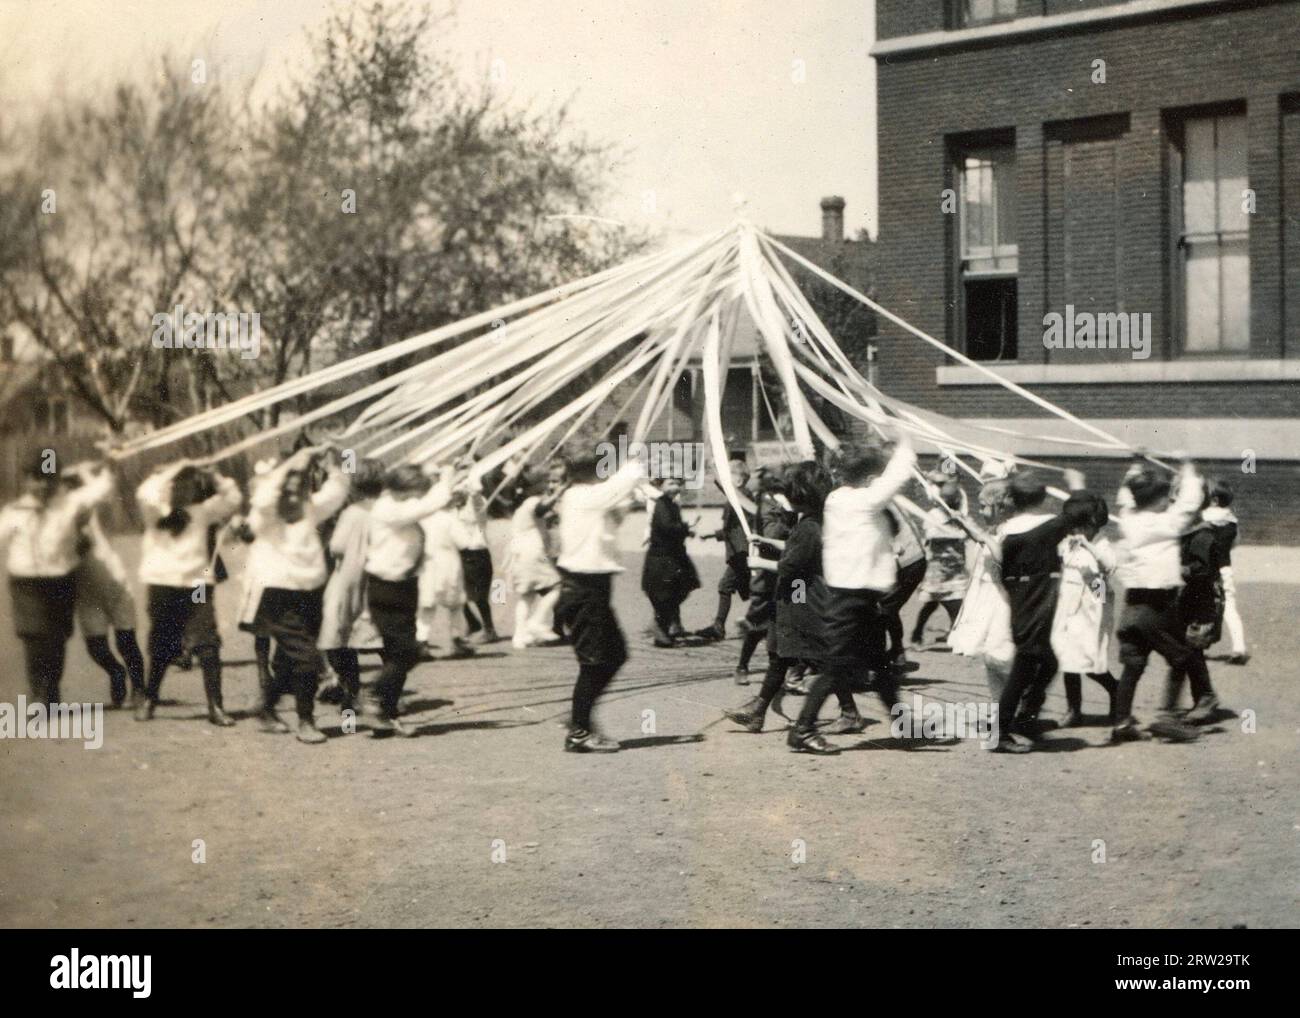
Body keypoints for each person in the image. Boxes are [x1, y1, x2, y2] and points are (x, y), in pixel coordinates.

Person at [724, 461, 863, 751]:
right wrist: (766, 541)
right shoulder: (813, 523)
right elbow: (796, 553)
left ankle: (840, 716)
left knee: (817, 659)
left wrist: (758, 561)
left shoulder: (808, 527)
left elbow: (790, 566)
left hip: (803, 598)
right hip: (799, 597)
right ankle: (758, 711)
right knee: (784, 654)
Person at [247, 447, 350, 743]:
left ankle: (266, 707)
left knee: (292, 659)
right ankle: (306, 721)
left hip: (309, 592)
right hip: (276, 594)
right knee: (306, 658)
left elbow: (336, 492)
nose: (293, 494)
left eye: (299, 487)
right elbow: (265, 494)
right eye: (287, 488)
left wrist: (334, 465)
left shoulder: (309, 509)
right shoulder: (266, 514)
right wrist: (293, 463)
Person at [819, 432, 916, 738]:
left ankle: (903, 724)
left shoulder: (837, 498)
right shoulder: (864, 501)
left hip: (859, 596)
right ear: (872, 478)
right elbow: (899, 473)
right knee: (836, 665)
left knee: (881, 667)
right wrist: (904, 437)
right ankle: (803, 728)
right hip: (852, 596)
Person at [987, 468, 1087, 753]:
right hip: (1036, 605)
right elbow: (1080, 511)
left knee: (1048, 662)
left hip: (1024, 603)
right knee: (1024, 668)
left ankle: (1025, 717)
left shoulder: (1009, 531)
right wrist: (1077, 486)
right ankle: (1002, 731)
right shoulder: (1044, 528)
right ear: (1043, 497)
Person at [0, 453, 112, 705]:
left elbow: (101, 488)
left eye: (48, 479)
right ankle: (38, 694)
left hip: (60, 580)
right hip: (26, 583)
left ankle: (50, 691)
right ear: (26, 481)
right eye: (36, 479)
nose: (42, 485)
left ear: (57, 480)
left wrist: (110, 460)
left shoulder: (69, 503)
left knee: (56, 637)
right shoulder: (14, 511)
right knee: (33, 636)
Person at [135, 461, 242, 724]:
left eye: (187, 484)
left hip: (196, 586)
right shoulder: (154, 511)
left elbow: (233, 499)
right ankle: (150, 699)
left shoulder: (201, 512)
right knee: (162, 645)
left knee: (207, 642)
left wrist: (214, 475)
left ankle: (216, 707)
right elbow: (144, 493)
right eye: (175, 485)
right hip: (162, 585)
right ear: (166, 487)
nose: (181, 489)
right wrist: (169, 470)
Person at [554, 451, 647, 752]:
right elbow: (617, 486)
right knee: (594, 662)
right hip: (583, 589)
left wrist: (625, 498)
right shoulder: (581, 495)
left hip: (594, 589)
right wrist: (634, 463)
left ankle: (579, 717)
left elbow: (611, 514)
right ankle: (579, 730)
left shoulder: (587, 498)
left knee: (615, 654)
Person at [1111, 457, 1204, 744]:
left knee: (1134, 664)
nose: (1170, 501)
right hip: (1158, 606)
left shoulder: (1128, 520)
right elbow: (1189, 503)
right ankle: (1168, 716)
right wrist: (1187, 469)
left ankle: (1122, 721)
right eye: (1166, 497)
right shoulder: (1165, 523)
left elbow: (1125, 497)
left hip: (1132, 606)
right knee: (1183, 657)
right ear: (1159, 500)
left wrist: (1136, 466)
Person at [362, 464, 455, 735]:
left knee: (397, 654)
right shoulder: (387, 509)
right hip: (385, 588)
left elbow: (424, 504)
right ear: (398, 489)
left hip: (404, 587)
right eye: (412, 493)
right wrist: (446, 478)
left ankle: (386, 714)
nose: (415, 499)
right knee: (407, 651)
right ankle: (374, 693)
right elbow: (431, 503)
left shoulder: (399, 508)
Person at [63, 463, 146, 708]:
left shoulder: (98, 510)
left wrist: (88, 472)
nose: (69, 490)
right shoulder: (61, 516)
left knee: (126, 641)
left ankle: (139, 690)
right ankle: (116, 672)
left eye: (72, 485)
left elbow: (104, 488)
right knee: (96, 647)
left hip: (114, 583)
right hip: (86, 592)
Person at [317, 458, 385, 711]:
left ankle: (352, 692)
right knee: (378, 639)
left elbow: (336, 546)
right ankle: (385, 691)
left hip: (348, 580)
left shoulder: (352, 513)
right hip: (377, 580)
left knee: (340, 637)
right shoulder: (387, 511)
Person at [1049, 491, 1118, 727]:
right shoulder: (1068, 543)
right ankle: (1073, 709)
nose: (1072, 531)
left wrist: (1088, 546)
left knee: (1088, 660)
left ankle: (1116, 690)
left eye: (1076, 526)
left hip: (1090, 607)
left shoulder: (1101, 543)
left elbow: (1108, 569)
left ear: (1091, 524)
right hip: (1067, 604)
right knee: (1067, 659)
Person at [1160, 491, 1225, 726]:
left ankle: (1205, 698)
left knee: (1191, 648)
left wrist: (1175, 567)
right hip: (1190, 600)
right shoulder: (1190, 534)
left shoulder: (1203, 535)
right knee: (1189, 650)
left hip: (1202, 602)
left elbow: (1202, 571)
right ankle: (1201, 699)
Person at [949, 478, 1016, 701]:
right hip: (985, 598)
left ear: (1002, 507)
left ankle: (1015, 706)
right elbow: (984, 542)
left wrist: (983, 536)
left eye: (984, 506)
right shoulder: (995, 528)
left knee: (1001, 655)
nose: (980, 510)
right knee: (990, 656)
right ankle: (1001, 708)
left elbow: (1003, 557)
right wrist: (967, 525)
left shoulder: (1011, 530)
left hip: (1001, 600)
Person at [734, 469, 794, 682]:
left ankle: (776, 669)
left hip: (786, 574)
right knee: (758, 625)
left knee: (783, 622)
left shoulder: (786, 506)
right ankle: (742, 665)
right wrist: (788, 521)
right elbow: (772, 534)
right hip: (767, 575)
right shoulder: (769, 508)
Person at [505, 468, 564, 649]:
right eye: (545, 482)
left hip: (519, 554)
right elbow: (541, 509)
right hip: (532, 552)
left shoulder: (522, 504)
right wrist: (560, 491)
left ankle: (519, 635)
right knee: (557, 586)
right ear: (537, 485)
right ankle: (536, 622)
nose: (548, 485)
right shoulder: (533, 501)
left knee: (527, 596)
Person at [697, 456, 753, 640]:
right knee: (751, 589)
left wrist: (714, 467)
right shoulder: (739, 499)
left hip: (741, 552)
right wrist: (712, 535)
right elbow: (732, 528)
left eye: (729, 476)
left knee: (726, 586)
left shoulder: (742, 498)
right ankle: (757, 622)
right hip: (739, 551)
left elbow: (736, 529)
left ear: (738, 480)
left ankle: (719, 626)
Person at [641, 474, 700, 647]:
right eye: (670, 483)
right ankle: (661, 631)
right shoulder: (662, 504)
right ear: (661, 486)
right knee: (667, 594)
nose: (675, 487)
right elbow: (666, 527)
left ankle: (664, 627)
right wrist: (685, 528)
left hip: (672, 556)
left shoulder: (671, 504)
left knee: (679, 589)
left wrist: (685, 530)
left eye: (677, 483)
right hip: (662, 558)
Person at [909, 481, 970, 648]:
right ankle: (917, 634)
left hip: (955, 568)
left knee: (955, 603)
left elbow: (967, 530)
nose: (954, 502)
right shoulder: (934, 515)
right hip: (938, 568)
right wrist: (954, 535)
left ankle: (953, 636)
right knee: (935, 604)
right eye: (950, 499)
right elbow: (931, 534)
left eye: (955, 499)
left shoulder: (957, 514)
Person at [418, 487, 475, 659]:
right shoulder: (450, 519)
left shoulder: (422, 518)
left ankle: (421, 642)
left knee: (427, 605)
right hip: (448, 564)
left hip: (427, 564)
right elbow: (464, 542)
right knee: (455, 604)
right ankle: (458, 640)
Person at [1203, 477, 1248, 665]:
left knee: (1196, 605)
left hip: (1205, 570)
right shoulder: (1233, 522)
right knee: (1229, 606)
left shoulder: (1204, 517)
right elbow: (1235, 544)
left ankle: (1193, 644)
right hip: (1225, 569)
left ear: (1214, 500)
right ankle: (1239, 647)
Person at [878, 501, 926, 674]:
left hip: (907, 562)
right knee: (887, 608)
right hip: (913, 559)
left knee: (884, 608)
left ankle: (887, 659)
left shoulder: (878, 502)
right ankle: (896, 654)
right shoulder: (887, 498)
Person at [454, 467, 499, 644]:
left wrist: (470, 475)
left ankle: (489, 629)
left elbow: (477, 493)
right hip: (460, 553)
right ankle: (473, 623)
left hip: (477, 553)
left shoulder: (477, 503)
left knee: (480, 597)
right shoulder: (454, 508)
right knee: (456, 592)